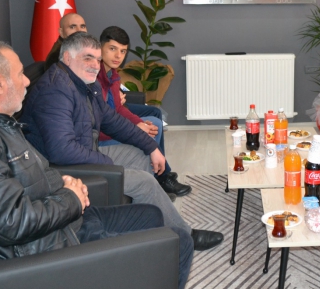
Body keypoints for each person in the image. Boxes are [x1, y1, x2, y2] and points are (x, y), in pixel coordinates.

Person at [0, 41, 193, 289]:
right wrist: (70, 197)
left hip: (64, 221)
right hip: (55, 248)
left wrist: (62, 183)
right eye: (20, 74)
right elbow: (11, 223)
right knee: (180, 242)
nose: (27, 80)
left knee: (153, 216)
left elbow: (21, 181)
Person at [21, 32, 223, 251]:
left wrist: (151, 146)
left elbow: (113, 121)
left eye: (98, 59)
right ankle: (185, 237)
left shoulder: (85, 84)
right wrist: (106, 163)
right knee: (144, 182)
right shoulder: (55, 91)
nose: (95, 65)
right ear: (68, 58)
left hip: (85, 154)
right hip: (63, 170)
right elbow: (62, 150)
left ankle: (146, 228)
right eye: (88, 58)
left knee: (139, 153)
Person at [97, 25, 191, 197]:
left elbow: (119, 108)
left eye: (123, 51)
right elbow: (102, 123)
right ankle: (159, 180)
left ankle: (160, 177)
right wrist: (135, 128)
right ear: (100, 47)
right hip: (100, 138)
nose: (118, 56)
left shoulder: (112, 75)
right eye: (112, 49)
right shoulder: (94, 78)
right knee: (149, 131)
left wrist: (140, 123)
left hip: (112, 129)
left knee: (153, 124)